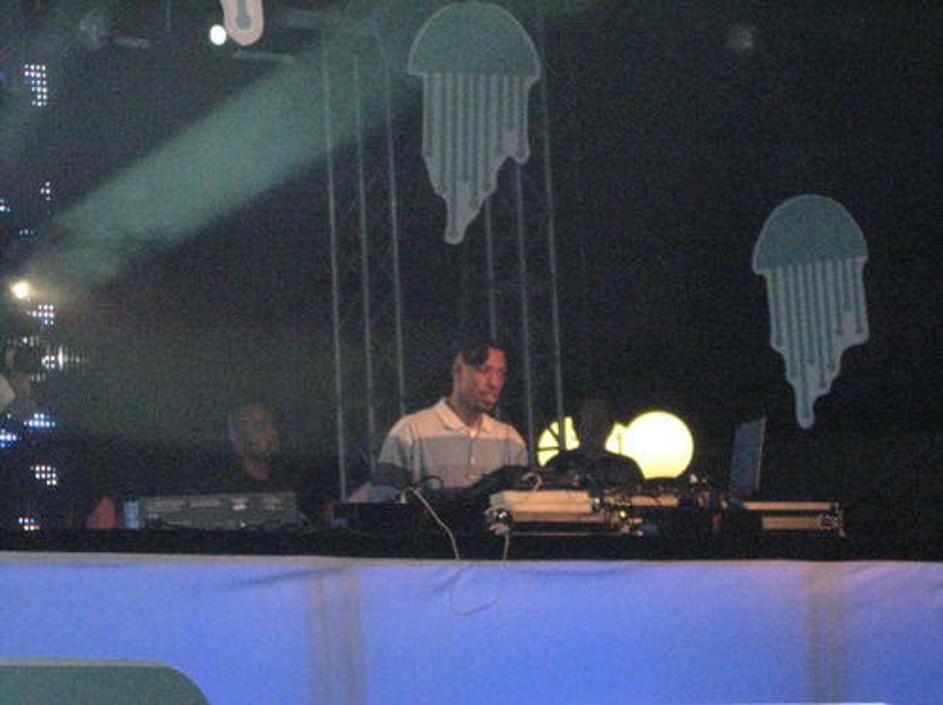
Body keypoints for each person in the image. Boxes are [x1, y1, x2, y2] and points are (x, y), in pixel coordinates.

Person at [374, 339, 528, 493]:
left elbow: (524, 503)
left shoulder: (511, 440)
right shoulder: (410, 433)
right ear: (458, 371)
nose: (494, 383)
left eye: (501, 373)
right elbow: (385, 502)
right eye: (484, 370)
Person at [546, 397, 644, 490]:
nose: (595, 427)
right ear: (576, 426)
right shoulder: (559, 465)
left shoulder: (625, 467)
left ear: (610, 427)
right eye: (589, 421)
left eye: (600, 421)